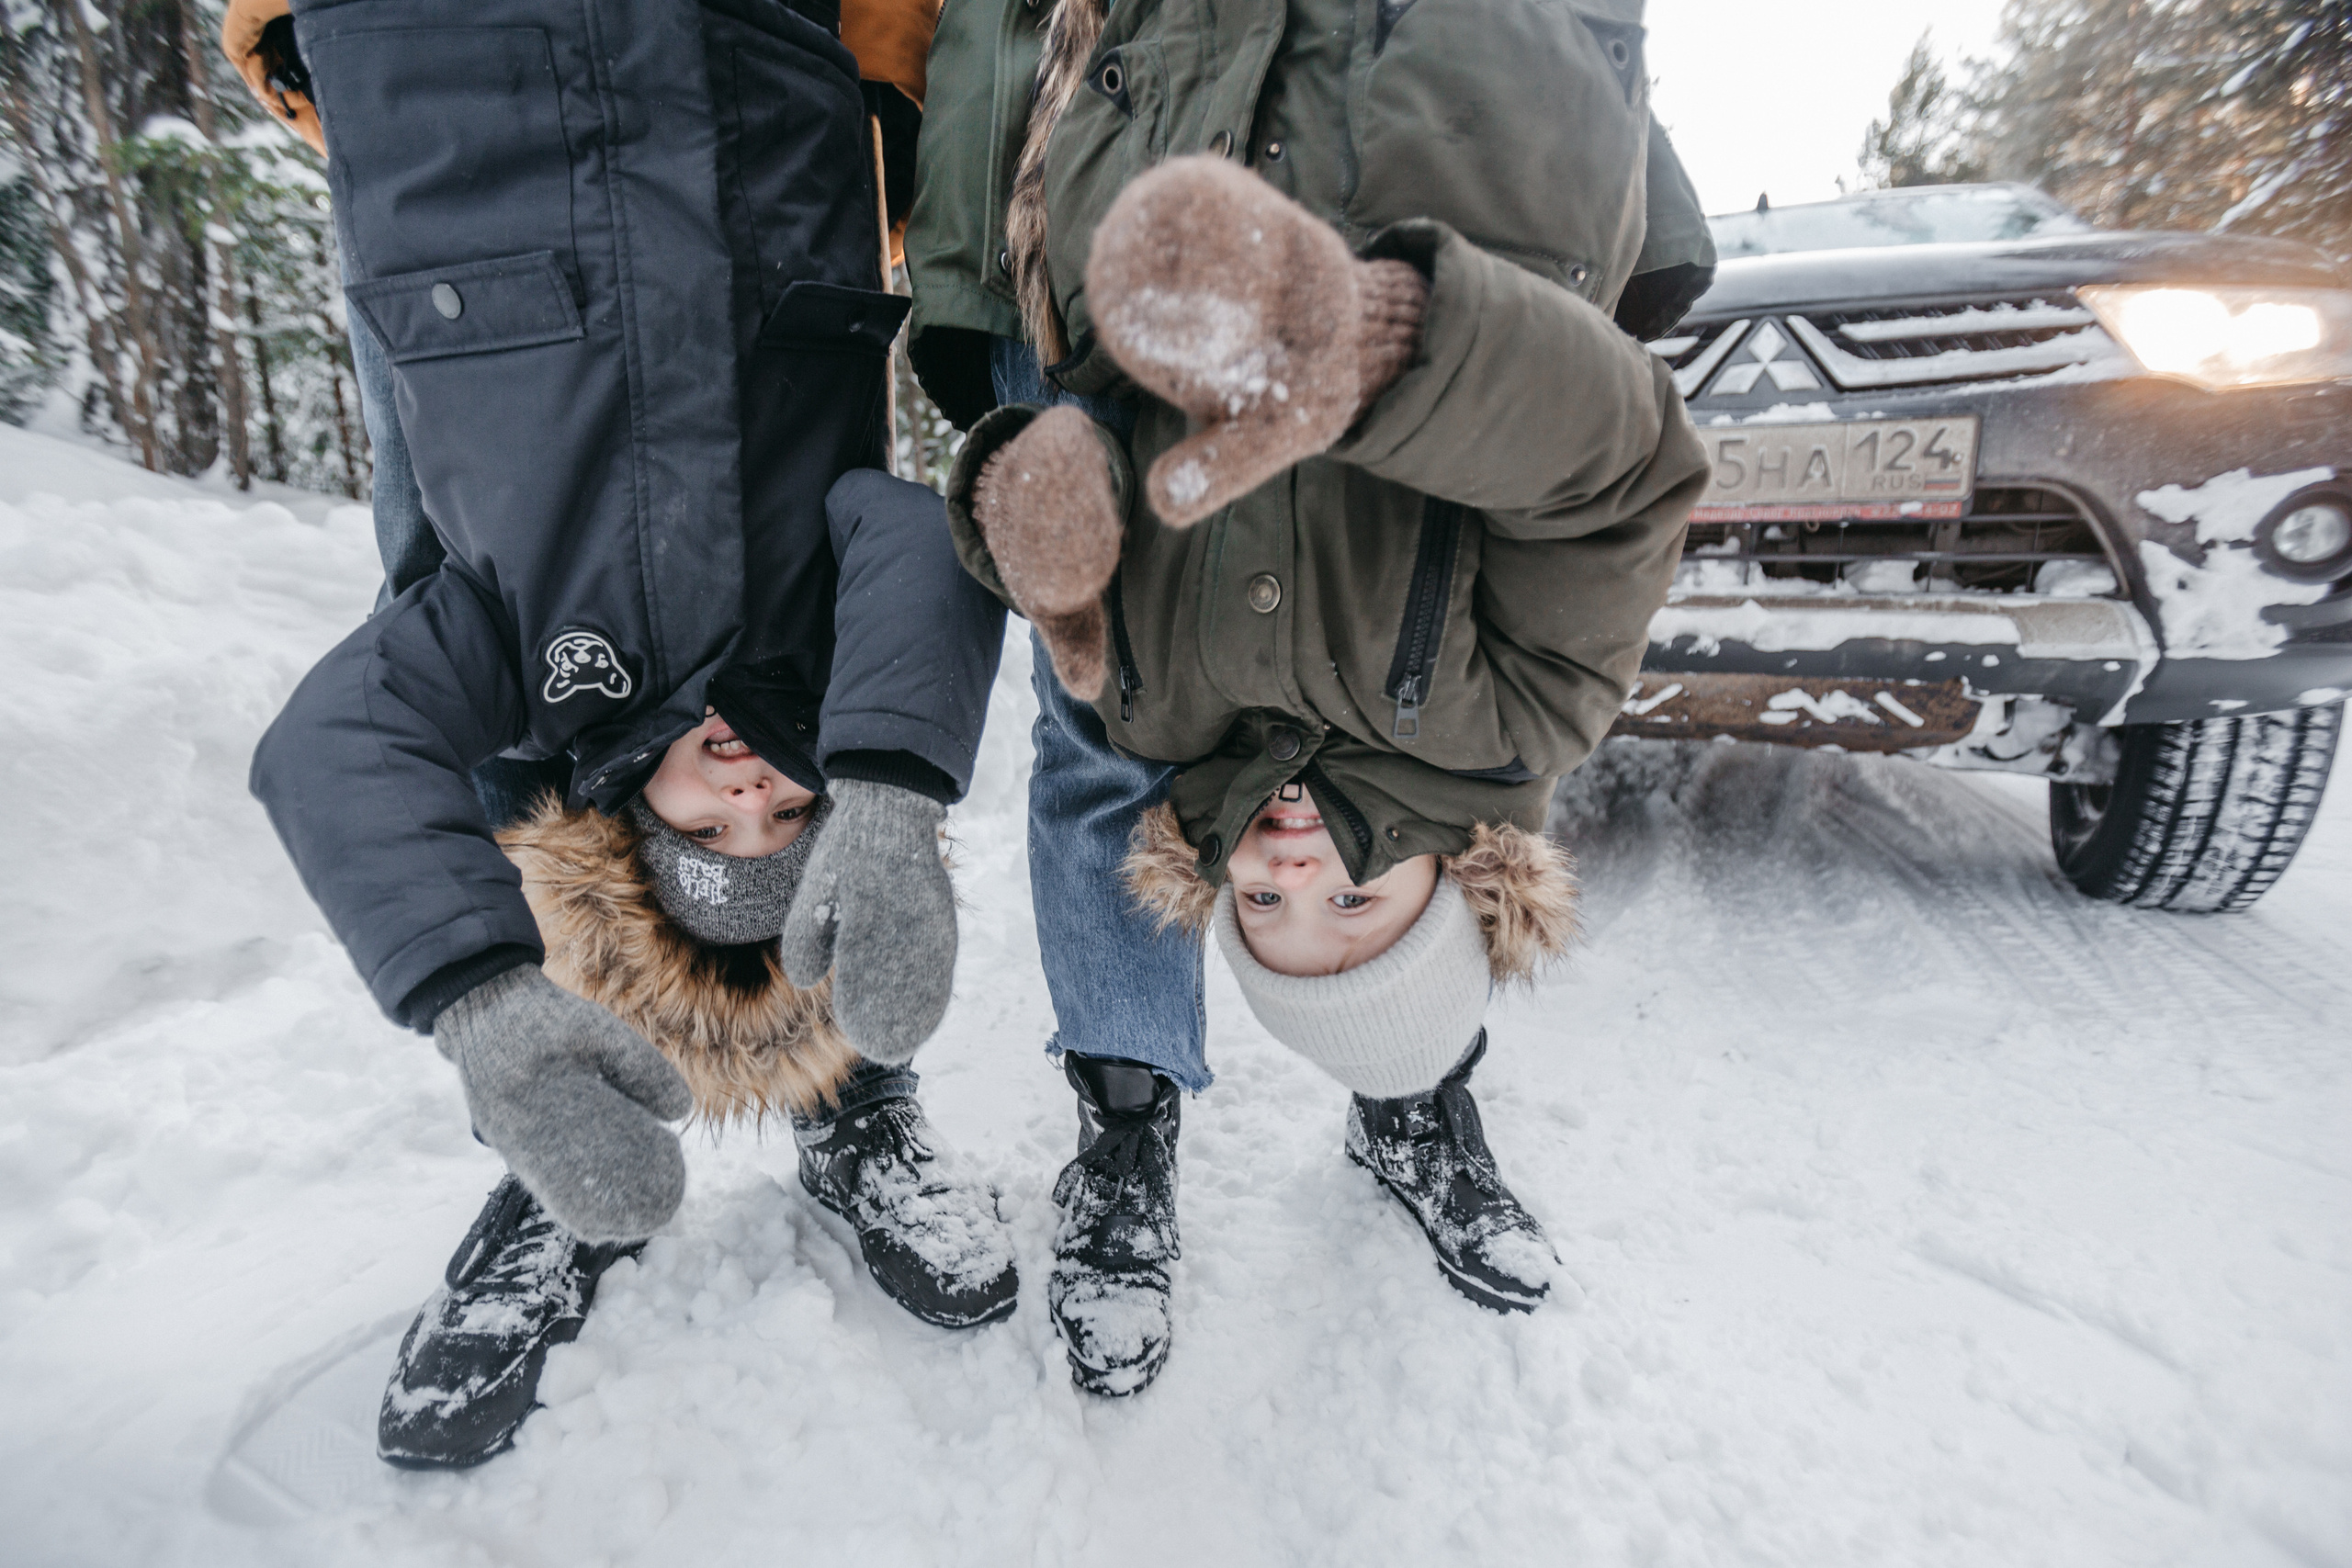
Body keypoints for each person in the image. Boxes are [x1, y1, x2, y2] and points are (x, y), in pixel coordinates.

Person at [226, 0, 1012, 1468]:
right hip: (757, 115)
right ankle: (572, 1137)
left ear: (641, 816)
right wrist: (888, 792)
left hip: (453, 122)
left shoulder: (528, 667)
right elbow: (925, 549)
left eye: (712, 831)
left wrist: (474, 994)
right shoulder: (820, 645)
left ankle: (772, 1079)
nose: (744, 795)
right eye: (786, 816)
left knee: (482, 718)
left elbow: (342, 739)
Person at [905, 0, 1715, 1395]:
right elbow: (1622, 474)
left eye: (1264, 913)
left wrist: (1028, 530)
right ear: (1455, 882)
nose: (1290, 871)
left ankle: (1378, 1089)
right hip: (1460, 147)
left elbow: (1069, 529)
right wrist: (1386, 345)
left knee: (1091, 762)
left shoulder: (1166, 727)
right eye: (1352, 900)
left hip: (1167, 110)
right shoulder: (1526, 715)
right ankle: (1362, 1086)